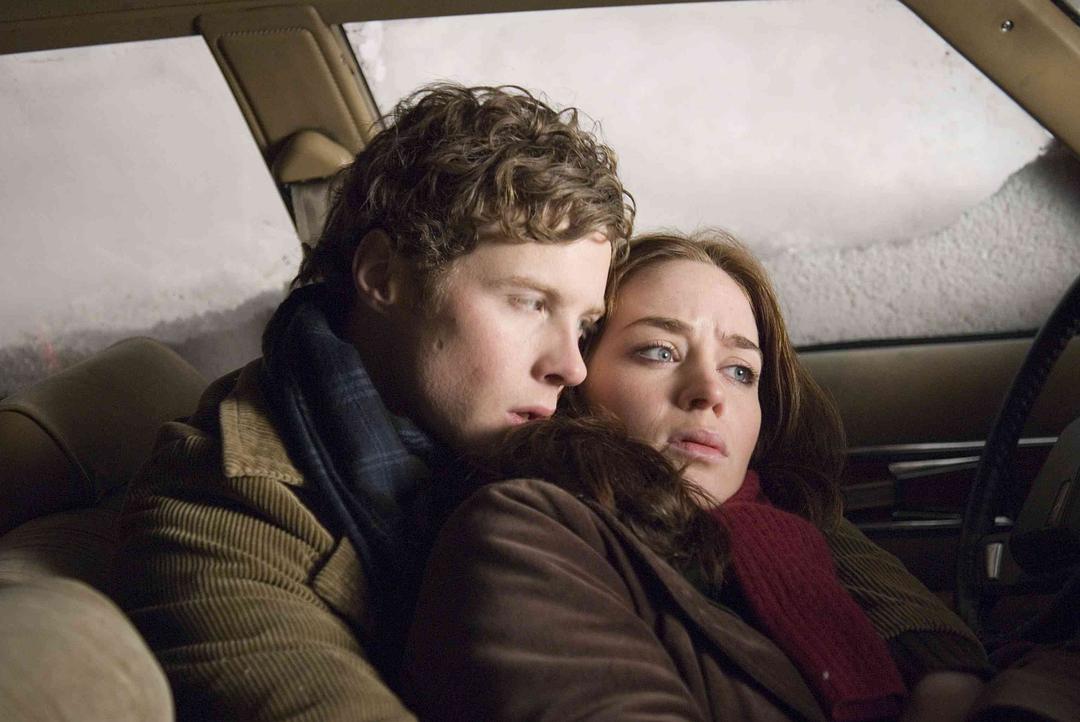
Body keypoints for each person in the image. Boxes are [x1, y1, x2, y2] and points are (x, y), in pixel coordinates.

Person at [112, 83, 634, 721]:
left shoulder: (543, 427)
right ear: (384, 275)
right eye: (529, 302)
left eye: (584, 325)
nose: (571, 367)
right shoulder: (214, 514)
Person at [402, 230, 995, 721]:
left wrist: (946, 675)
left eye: (741, 371)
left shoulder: (796, 532)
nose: (710, 391)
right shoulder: (526, 532)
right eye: (659, 352)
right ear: (576, 379)